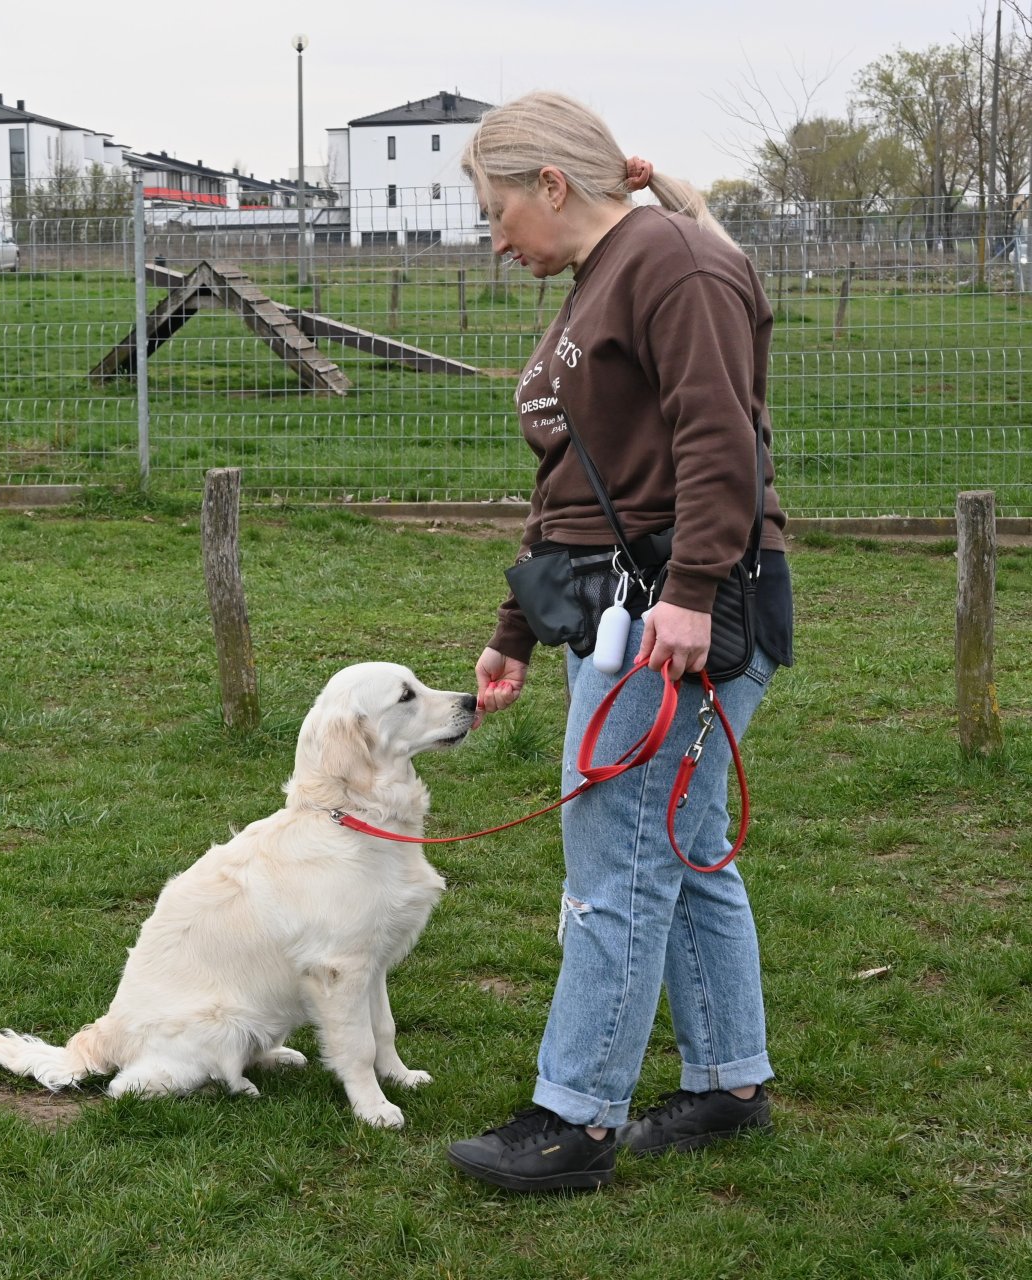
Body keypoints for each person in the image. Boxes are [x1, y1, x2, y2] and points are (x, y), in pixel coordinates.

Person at [443, 92, 795, 1193]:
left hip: (684, 613)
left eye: (498, 208)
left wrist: (690, 591)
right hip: (625, 608)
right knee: (679, 853)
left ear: (552, 183)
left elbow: (716, 434)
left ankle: (574, 1117)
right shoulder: (606, 273)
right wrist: (514, 630)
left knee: (617, 858)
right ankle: (730, 1084)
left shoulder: (670, 260)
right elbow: (569, 486)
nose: (493, 236)